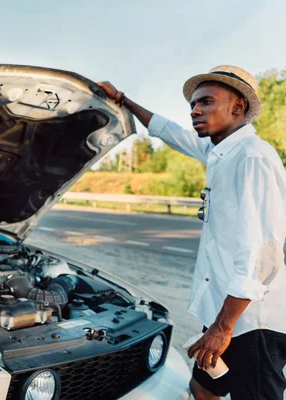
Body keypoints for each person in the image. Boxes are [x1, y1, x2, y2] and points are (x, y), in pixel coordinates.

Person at [98, 66, 286, 400]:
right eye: (193, 105)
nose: (195, 110)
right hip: (223, 311)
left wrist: (222, 328)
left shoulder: (253, 157)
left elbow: (264, 255)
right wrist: (124, 100)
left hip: (252, 320)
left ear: (238, 107)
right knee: (202, 389)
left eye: (206, 102)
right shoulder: (220, 152)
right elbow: (170, 131)